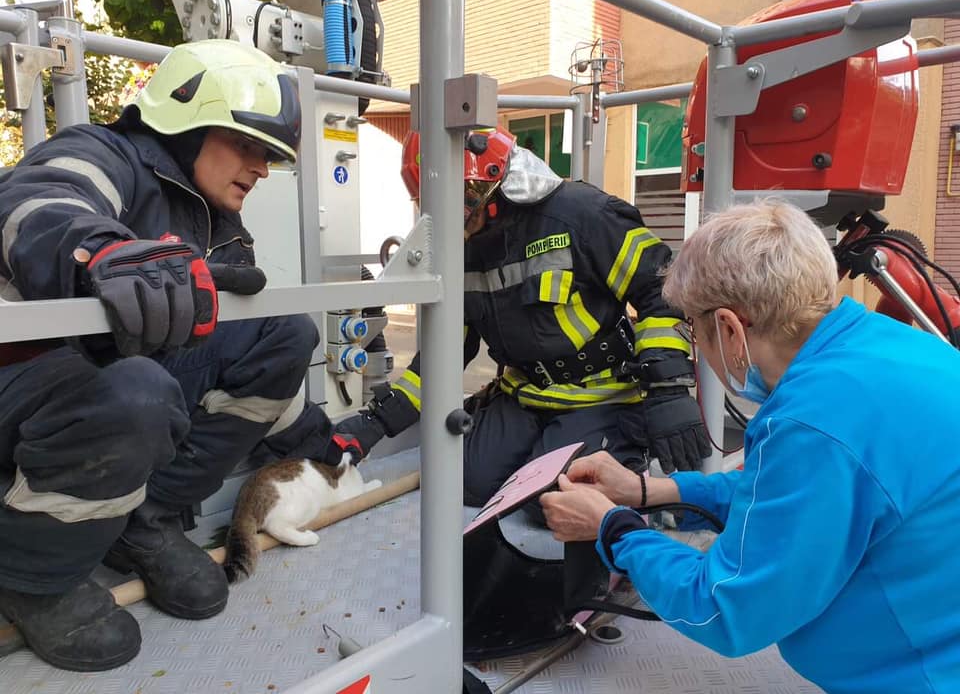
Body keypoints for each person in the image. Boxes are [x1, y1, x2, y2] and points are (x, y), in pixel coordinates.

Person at [0, 40, 353, 672]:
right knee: (140, 391)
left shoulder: (223, 225)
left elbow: (248, 355)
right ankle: (34, 576)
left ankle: (146, 518)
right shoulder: (104, 154)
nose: (263, 169)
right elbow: (36, 199)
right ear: (188, 123)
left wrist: (322, 442)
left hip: (106, 390)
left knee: (288, 334)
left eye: (271, 155)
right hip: (22, 382)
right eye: (250, 144)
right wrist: (102, 251)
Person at [540, 199, 960, 693]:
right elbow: (786, 495)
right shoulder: (892, 346)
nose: (696, 344)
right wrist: (648, 491)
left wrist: (612, 530)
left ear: (729, 328)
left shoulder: (812, 421)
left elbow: (726, 609)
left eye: (691, 330)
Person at [336, 127, 709, 512]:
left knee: (549, 502)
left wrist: (669, 391)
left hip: (600, 397)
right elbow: (444, 355)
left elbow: (663, 291)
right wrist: (377, 423)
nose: (460, 218)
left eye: (465, 201)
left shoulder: (582, 216)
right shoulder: (460, 252)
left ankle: (627, 458)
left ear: (495, 183)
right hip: (524, 394)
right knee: (465, 485)